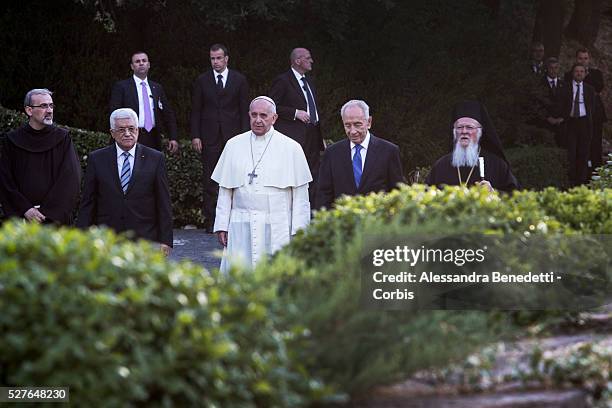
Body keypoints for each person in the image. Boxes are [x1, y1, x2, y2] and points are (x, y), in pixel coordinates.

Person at [212, 96, 311, 272]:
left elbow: (301, 197)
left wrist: (300, 232)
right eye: (254, 115)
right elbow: (225, 190)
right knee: (239, 277)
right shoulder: (233, 145)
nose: (258, 120)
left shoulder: (292, 148)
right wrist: (221, 225)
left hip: (278, 226)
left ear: (274, 118)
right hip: (241, 224)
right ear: (249, 115)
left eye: (264, 115)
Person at [76, 108, 173, 256]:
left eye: (131, 128)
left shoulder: (155, 158)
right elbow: (88, 202)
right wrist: (82, 238)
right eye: (121, 129)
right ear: (112, 133)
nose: (127, 133)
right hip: (107, 239)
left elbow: (163, 201)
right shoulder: (97, 159)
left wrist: (166, 239)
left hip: (145, 239)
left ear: (138, 130)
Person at [190, 44, 250, 233]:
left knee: (235, 177)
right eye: (212, 59)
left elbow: (243, 110)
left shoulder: (239, 80)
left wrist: (245, 137)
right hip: (209, 137)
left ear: (226, 59)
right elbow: (196, 110)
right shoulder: (202, 80)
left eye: (218, 58)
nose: (215, 62)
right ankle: (211, 221)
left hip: (233, 137)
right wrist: (195, 135)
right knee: (210, 178)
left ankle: (234, 219)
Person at [0, 88, 80, 225]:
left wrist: (46, 213)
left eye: (51, 105)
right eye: (43, 106)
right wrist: (25, 209)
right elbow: (5, 179)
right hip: (20, 220)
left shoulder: (63, 138)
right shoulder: (12, 140)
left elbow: (71, 178)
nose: (49, 110)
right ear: (29, 110)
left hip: (55, 221)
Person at [315, 99, 404, 210]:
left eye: (357, 125)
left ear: (369, 122)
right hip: (342, 223)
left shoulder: (389, 151)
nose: (352, 131)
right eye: (347, 125)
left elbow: (397, 193)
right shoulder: (332, 153)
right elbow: (323, 196)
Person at [270, 47, 324, 204]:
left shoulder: (309, 81)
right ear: (297, 60)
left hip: (313, 132)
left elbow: (313, 106)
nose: (311, 61)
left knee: (314, 172)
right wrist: (295, 113)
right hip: (295, 135)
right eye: (308, 58)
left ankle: (312, 211)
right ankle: (293, 208)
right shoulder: (283, 80)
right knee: (295, 172)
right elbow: (272, 105)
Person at [426, 100, 518, 192]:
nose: (464, 131)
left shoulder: (497, 165)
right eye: (459, 127)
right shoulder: (441, 166)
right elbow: (426, 196)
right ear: (454, 132)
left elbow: (514, 197)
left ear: (480, 132)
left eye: (469, 127)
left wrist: (493, 192)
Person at [109, 51, 179, 153]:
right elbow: (115, 113)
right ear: (132, 66)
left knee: (152, 167)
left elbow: (168, 114)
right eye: (137, 61)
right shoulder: (122, 87)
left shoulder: (157, 88)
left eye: (144, 61)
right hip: (131, 136)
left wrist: (173, 137)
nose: (141, 63)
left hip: (153, 137)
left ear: (149, 65)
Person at [564, 48, 608, 169]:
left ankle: (596, 171)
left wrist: (584, 75)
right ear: (576, 59)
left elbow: (598, 87)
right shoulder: (569, 75)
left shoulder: (596, 73)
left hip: (595, 114)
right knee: (579, 145)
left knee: (595, 143)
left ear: (589, 59)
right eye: (580, 58)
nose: (583, 61)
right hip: (577, 116)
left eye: (585, 58)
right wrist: (579, 74)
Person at [558, 63, 596, 186]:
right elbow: (562, 105)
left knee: (583, 152)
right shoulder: (565, 87)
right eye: (576, 71)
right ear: (572, 73)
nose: (579, 73)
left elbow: (592, 107)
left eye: (581, 71)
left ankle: (582, 181)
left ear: (585, 74)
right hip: (571, 122)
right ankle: (571, 181)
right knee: (571, 152)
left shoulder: (590, 89)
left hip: (584, 122)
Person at [541, 57, 566, 147]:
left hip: (561, 123)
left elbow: (567, 103)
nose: (554, 70)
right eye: (551, 68)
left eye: (556, 68)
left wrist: (562, 117)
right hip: (545, 123)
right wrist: (548, 117)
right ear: (547, 69)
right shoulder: (540, 84)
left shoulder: (564, 84)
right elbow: (538, 103)